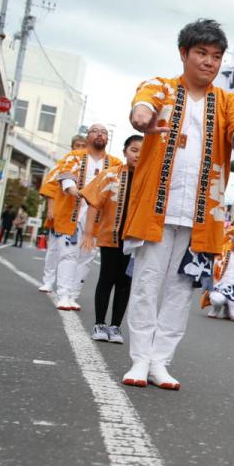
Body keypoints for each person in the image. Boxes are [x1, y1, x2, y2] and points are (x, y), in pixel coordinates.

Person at [121, 18, 234, 389]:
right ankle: (140, 359)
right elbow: (143, 102)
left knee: (178, 291)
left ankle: (161, 362)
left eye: (216, 56)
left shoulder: (227, 101)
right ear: (184, 54)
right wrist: (141, 117)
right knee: (146, 285)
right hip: (156, 211)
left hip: (202, 218)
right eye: (202, 53)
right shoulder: (161, 87)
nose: (209, 62)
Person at [45, 124, 123, 311]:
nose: (100, 134)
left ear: (107, 139)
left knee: (87, 257)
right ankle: (63, 294)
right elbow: (66, 175)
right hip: (73, 212)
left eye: (104, 132)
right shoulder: (75, 156)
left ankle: (73, 295)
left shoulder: (115, 163)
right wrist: (75, 190)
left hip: (98, 217)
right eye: (96, 131)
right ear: (88, 137)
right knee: (68, 254)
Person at [80, 134, 143, 343]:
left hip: (135, 242)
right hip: (110, 237)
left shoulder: (149, 180)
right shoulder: (110, 175)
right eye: (134, 150)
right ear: (125, 151)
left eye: (143, 151)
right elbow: (93, 203)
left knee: (125, 283)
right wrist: (88, 234)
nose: (138, 154)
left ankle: (115, 326)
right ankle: (99, 323)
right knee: (106, 279)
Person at [35, 136, 87, 295]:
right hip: (61, 213)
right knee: (54, 249)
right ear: (72, 147)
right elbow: (50, 187)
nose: (80, 148)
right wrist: (51, 209)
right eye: (77, 145)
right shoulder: (63, 164)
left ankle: (67, 287)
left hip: (80, 217)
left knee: (74, 254)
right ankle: (48, 281)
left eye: (83, 146)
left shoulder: (89, 167)